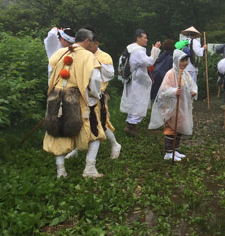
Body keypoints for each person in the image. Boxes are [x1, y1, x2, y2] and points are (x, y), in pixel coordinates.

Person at [42, 28, 106, 179]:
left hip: (56, 97)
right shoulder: (88, 56)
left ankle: (61, 171)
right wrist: (96, 95)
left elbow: (50, 74)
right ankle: (89, 168)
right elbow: (95, 80)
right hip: (79, 99)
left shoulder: (60, 53)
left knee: (59, 133)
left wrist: (55, 91)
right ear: (87, 41)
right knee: (94, 133)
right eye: (91, 41)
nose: (92, 45)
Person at [149, 49, 198, 161]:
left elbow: (192, 85)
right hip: (171, 107)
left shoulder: (185, 74)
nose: (185, 63)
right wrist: (174, 91)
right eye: (182, 61)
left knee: (179, 127)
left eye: (186, 60)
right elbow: (163, 90)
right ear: (176, 61)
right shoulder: (170, 74)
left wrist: (193, 91)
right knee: (171, 128)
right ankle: (168, 152)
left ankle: (175, 149)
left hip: (182, 106)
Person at [120, 29, 161, 136]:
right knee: (139, 101)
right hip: (138, 79)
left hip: (134, 78)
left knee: (134, 101)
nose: (146, 40)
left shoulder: (131, 48)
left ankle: (131, 123)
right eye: (145, 37)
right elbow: (149, 62)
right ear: (138, 38)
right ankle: (131, 125)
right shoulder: (137, 51)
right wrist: (155, 50)